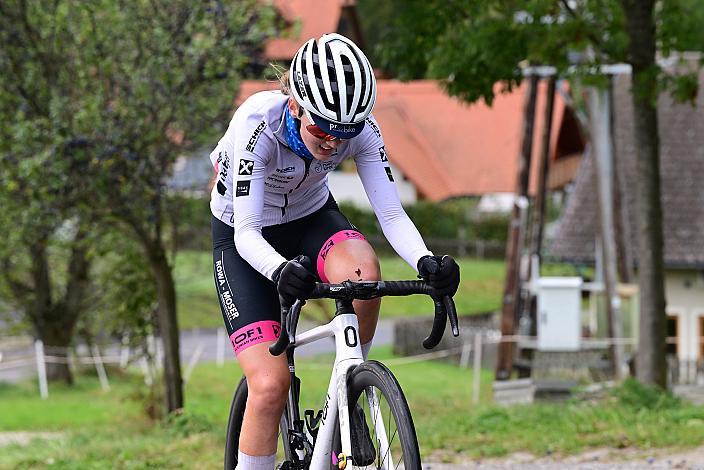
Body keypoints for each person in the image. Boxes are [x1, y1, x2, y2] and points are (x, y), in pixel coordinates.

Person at [210, 33, 460, 470]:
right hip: (243, 236)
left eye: (342, 134)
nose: (331, 142)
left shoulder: (361, 129)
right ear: (294, 105)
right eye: (320, 129)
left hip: (310, 217)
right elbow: (248, 232)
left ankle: (349, 391)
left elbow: (391, 213)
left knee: (364, 272)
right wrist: (279, 269)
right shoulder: (256, 126)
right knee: (271, 386)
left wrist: (426, 262)